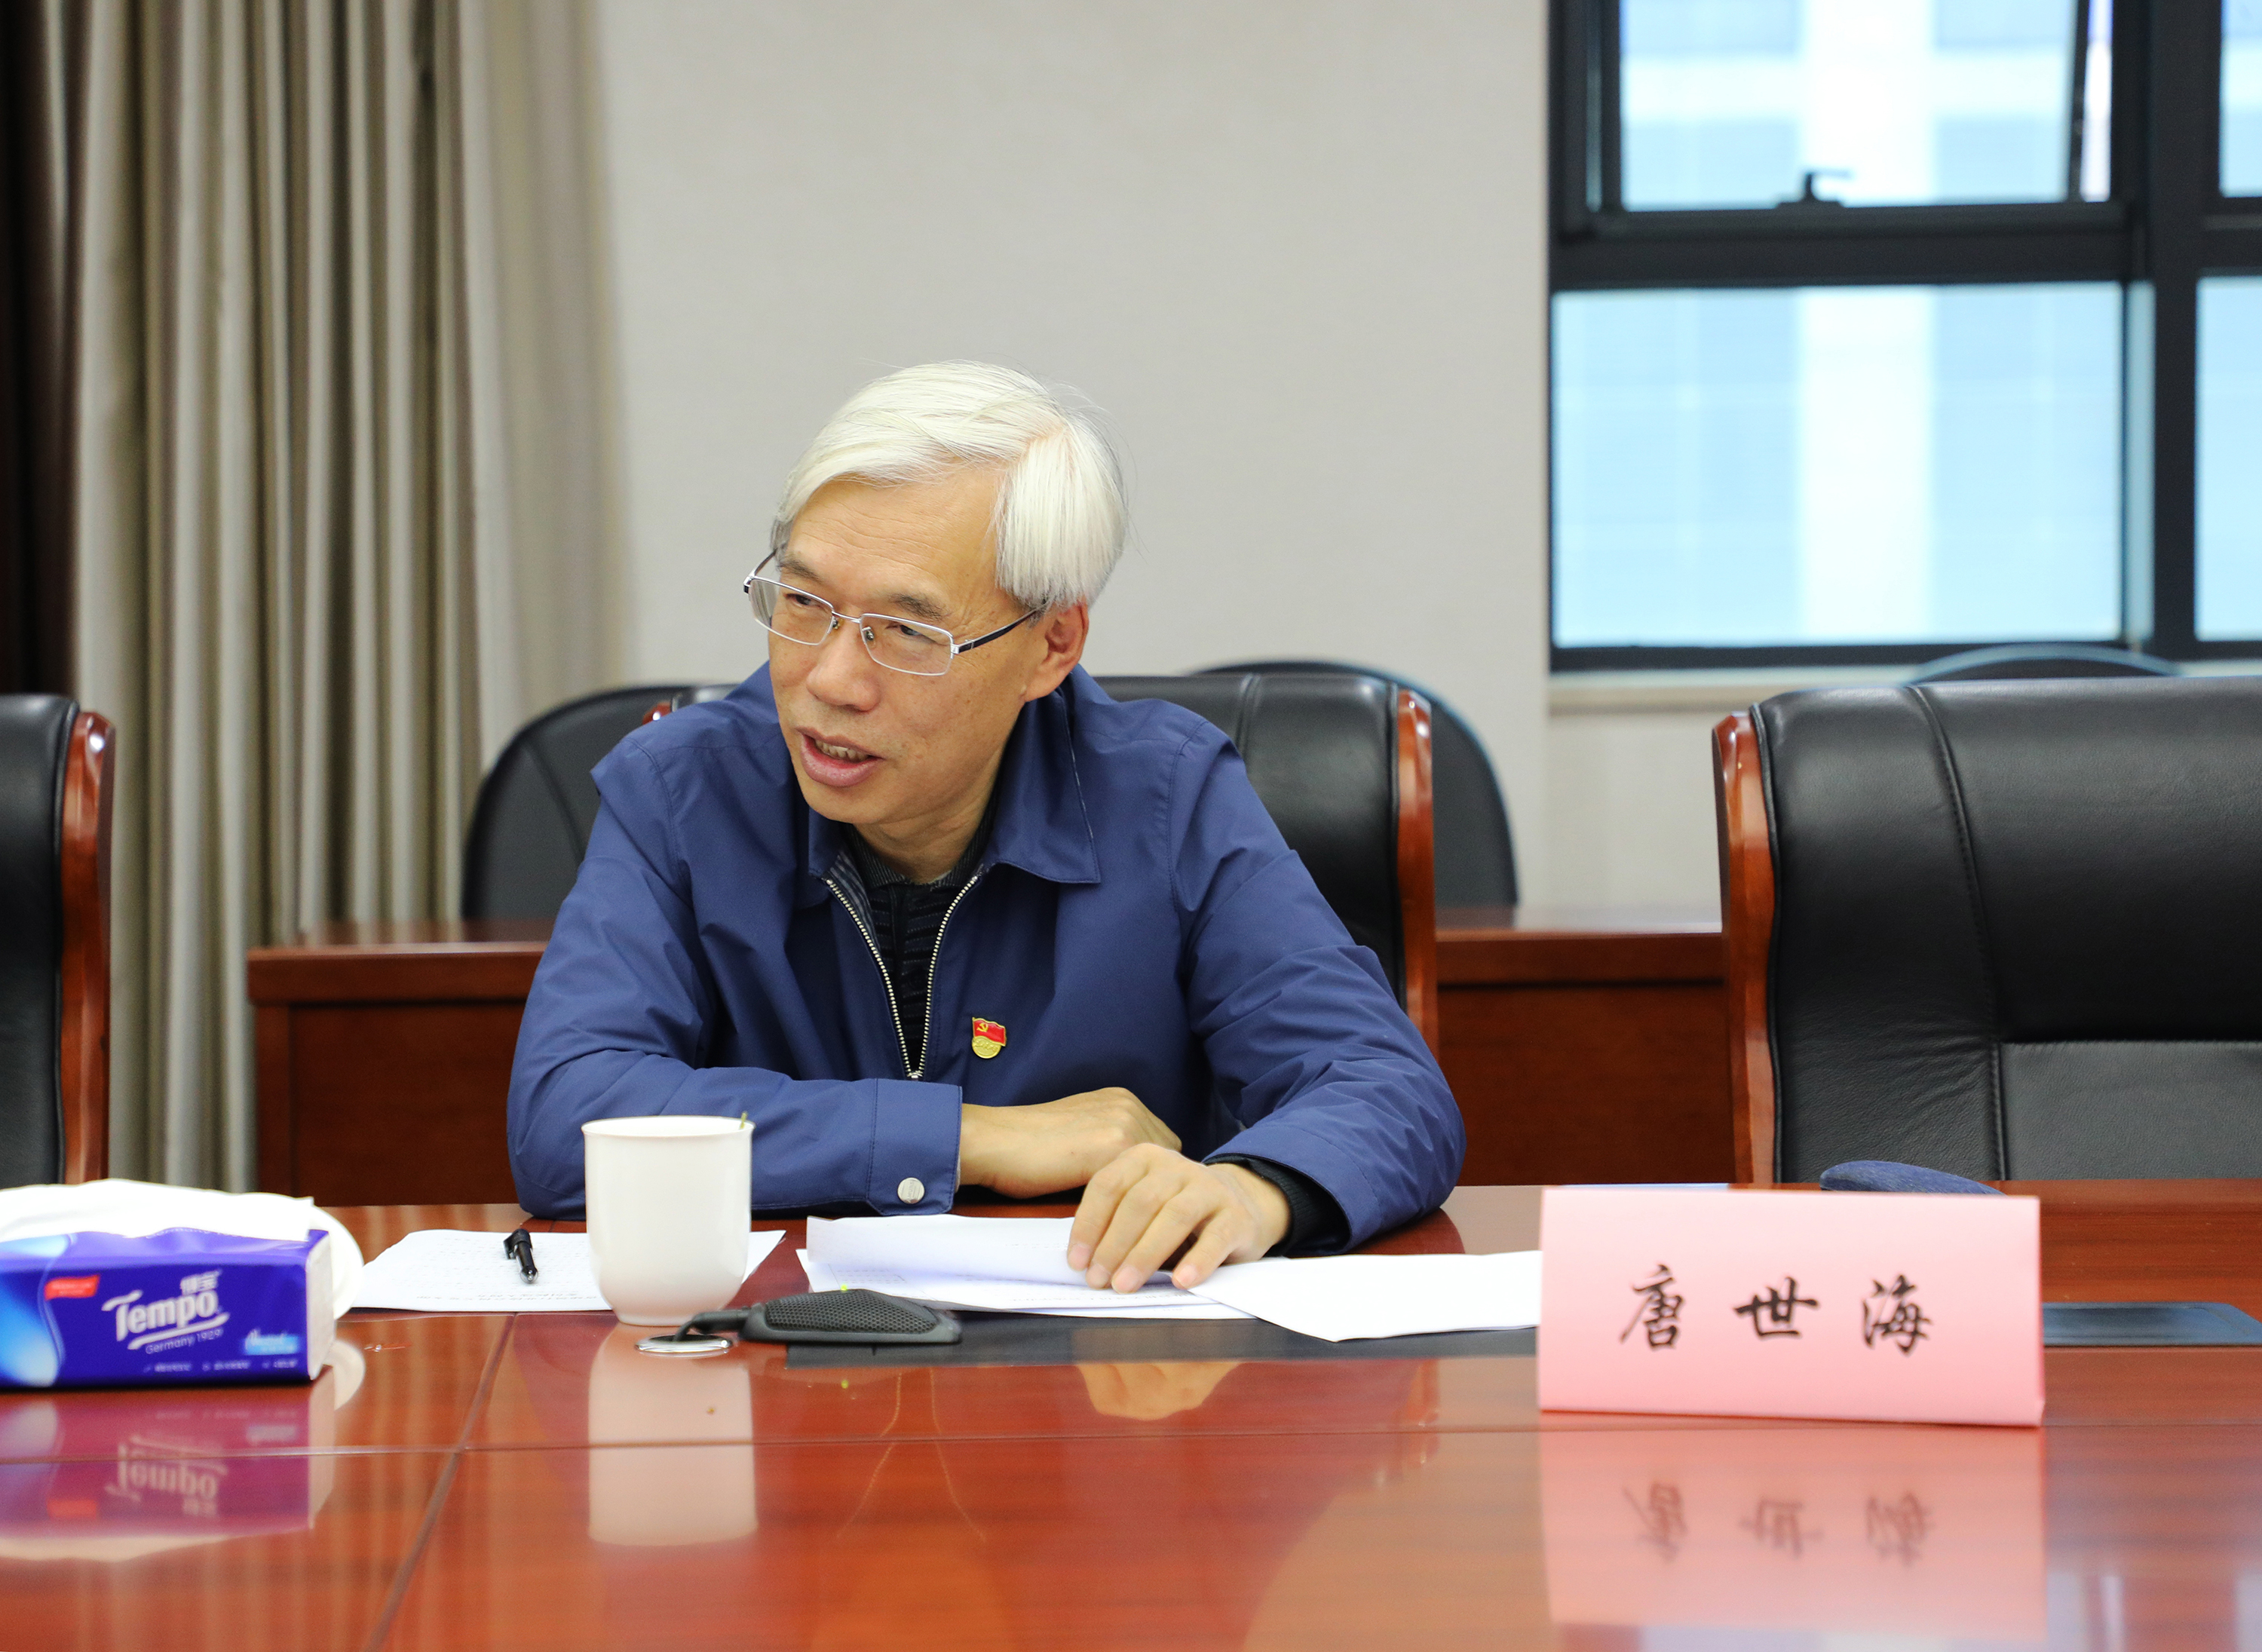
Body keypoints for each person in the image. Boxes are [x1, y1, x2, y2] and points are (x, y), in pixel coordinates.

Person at [507, 362, 1463, 1289]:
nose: (831, 679)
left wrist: (1255, 1191)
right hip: (778, 1370)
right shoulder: (682, 789)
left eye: (907, 631)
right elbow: (567, 1115)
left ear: (1052, 644)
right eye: (803, 601)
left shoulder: (1165, 800)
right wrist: (970, 1137)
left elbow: (1387, 1087)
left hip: (1104, 1367)